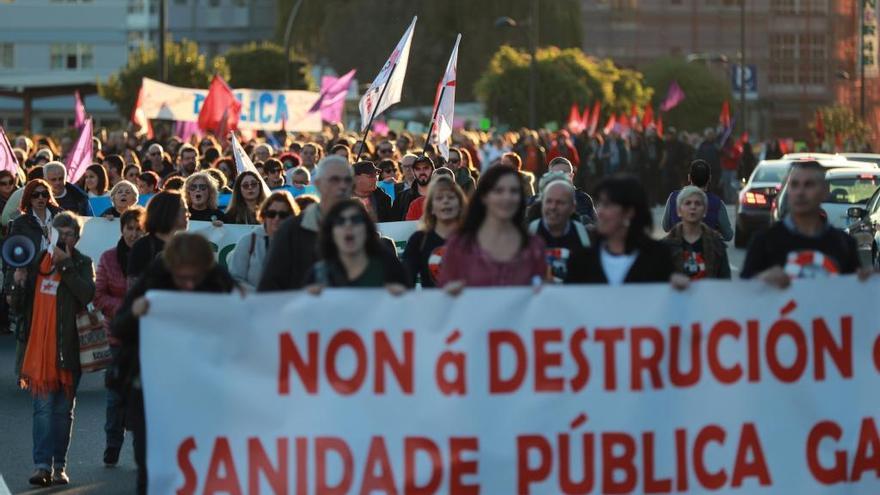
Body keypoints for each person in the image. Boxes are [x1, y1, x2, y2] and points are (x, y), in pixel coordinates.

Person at [112, 233, 237, 495]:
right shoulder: (154, 279)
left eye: (195, 278)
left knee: (201, 464)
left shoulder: (219, 281)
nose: (189, 285)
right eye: (183, 278)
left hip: (202, 392)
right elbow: (118, 327)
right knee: (152, 465)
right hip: (150, 390)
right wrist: (135, 313)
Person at [10, 212, 95, 487]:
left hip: (70, 348)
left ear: (77, 237)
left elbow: (87, 295)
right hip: (39, 351)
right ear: (50, 235)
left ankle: (60, 466)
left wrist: (67, 266)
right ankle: (41, 466)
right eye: (59, 233)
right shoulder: (36, 262)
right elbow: (17, 307)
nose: (64, 238)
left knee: (62, 411)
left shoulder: (82, 263)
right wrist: (19, 281)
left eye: (69, 233)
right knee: (43, 410)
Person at [741, 160, 870, 286]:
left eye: (809, 185)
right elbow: (740, 293)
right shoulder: (764, 241)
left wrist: (869, 281)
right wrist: (760, 279)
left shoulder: (844, 244)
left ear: (824, 191)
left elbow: (854, 297)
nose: (800, 192)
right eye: (794, 185)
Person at [438, 166, 547, 290]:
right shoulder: (460, 245)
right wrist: (449, 292)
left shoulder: (534, 247)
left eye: (514, 191)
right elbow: (443, 292)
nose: (507, 197)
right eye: (498, 191)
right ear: (484, 197)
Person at [93, 206, 145, 467]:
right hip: (117, 336)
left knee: (141, 396)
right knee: (116, 397)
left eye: (138, 228)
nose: (134, 233)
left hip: (147, 338)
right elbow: (99, 295)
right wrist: (127, 308)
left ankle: (140, 451)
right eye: (130, 228)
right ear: (122, 230)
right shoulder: (108, 258)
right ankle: (113, 444)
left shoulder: (153, 258)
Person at [259, 156, 353, 291]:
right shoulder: (291, 229)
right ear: (318, 184)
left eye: (347, 180)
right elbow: (270, 283)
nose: (343, 185)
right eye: (334, 179)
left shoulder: (362, 224)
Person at [566, 175, 680, 285]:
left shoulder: (658, 257)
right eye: (599, 204)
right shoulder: (581, 258)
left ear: (629, 212)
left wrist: (679, 285)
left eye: (607, 205)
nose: (599, 212)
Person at [305, 200, 408, 290]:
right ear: (330, 231)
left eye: (356, 220)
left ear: (367, 228)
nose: (348, 225)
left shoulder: (390, 269)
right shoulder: (318, 275)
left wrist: (399, 298)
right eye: (340, 221)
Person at [403, 175, 466, 288]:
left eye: (451, 197)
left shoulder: (472, 238)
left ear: (460, 204)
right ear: (431, 207)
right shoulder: (418, 240)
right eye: (439, 198)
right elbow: (405, 281)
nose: (446, 201)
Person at [228, 192, 299, 291]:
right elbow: (235, 279)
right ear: (264, 215)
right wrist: (259, 296)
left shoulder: (297, 244)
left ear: (290, 217)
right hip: (254, 303)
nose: (276, 218)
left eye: (283, 215)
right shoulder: (248, 241)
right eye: (271, 214)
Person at [661, 186, 731, 280]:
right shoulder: (664, 247)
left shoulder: (717, 245)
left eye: (698, 203)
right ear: (679, 210)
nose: (693, 207)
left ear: (705, 210)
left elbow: (725, 282)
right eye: (688, 203)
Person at [529, 180, 592, 282]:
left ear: (573, 207)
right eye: (549, 201)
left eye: (560, 202)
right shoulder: (528, 235)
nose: (553, 207)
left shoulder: (585, 236)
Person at [661, 159, 733, 241]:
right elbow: (728, 235)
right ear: (709, 178)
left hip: (677, 248)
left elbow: (665, 227)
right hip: (706, 249)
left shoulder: (673, 197)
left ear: (689, 177)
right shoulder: (717, 203)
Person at [127, 191, 189, 282]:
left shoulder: (184, 246)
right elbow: (134, 288)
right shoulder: (142, 247)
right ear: (169, 211)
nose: (188, 214)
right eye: (184, 209)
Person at [395, 155, 433, 221]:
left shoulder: (442, 195)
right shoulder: (402, 197)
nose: (422, 172)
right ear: (414, 171)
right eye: (418, 169)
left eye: (426, 168)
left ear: (432, 170)